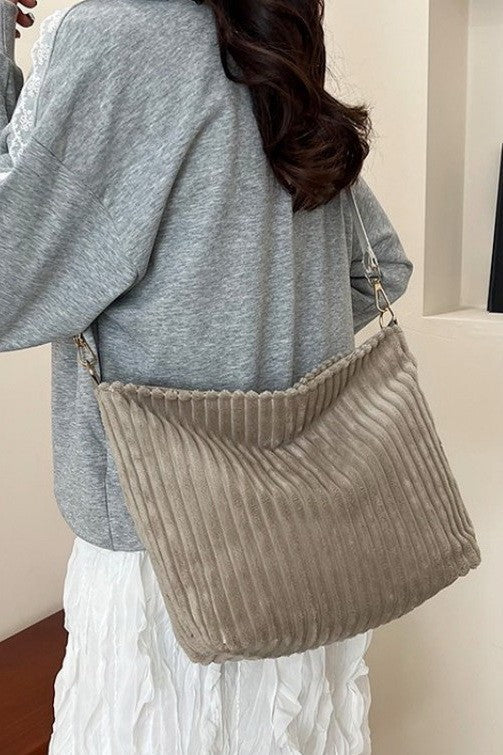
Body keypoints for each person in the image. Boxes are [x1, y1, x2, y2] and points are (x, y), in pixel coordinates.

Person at [0, 0, 413, 751]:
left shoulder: (112, 36)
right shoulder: (270, 36)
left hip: (165, 568)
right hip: (309, 546)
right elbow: (378, 266)